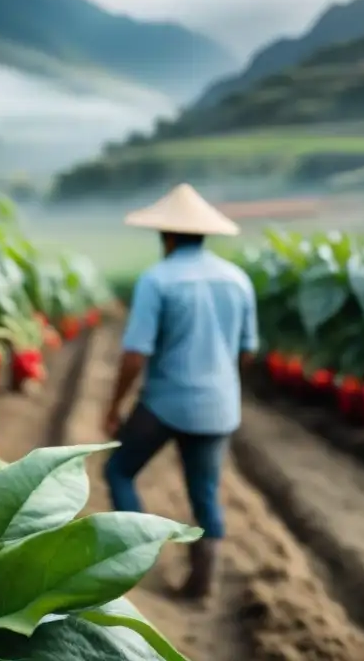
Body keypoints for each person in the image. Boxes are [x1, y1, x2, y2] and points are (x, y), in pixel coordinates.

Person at [102, 183, 258, 600]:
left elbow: (135, 355)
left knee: (119, 471)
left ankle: (138, 553)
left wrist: (115, 405)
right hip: (218, 407)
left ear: (166, 236)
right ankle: (202, 580)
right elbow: (247, 352)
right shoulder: (237, 281)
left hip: (164, 403)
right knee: (204, 493)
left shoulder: (157, 279)